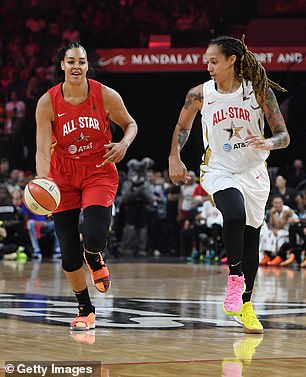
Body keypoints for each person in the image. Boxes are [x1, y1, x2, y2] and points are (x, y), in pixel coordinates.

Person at [168, 35, 290, 334]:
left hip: (254, 171)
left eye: (214, 61)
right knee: (232, 214)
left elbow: (284, 136)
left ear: (231, 60)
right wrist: (174, 156)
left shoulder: (257, 92)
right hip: (218, 168)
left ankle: (245, 306)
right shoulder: (199, 94)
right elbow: (182, 126)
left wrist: (268, 142)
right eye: (207, 61)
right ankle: (234, 278)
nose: (208, 66)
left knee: (251, 242)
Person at [35, 41, 137, 330]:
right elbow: (42, 150)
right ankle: (85, 309)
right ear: (62, 66)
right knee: (68, 251)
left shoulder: (105, 95)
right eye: (71, 61)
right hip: (63, 177)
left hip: (98, 170)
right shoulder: (47, 102)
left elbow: (131, 124)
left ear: (87, 65)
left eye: (81, 61)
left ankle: (94, 256)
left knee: (93, 235)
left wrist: (124, 144)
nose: (76, 66)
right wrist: (44, 182)